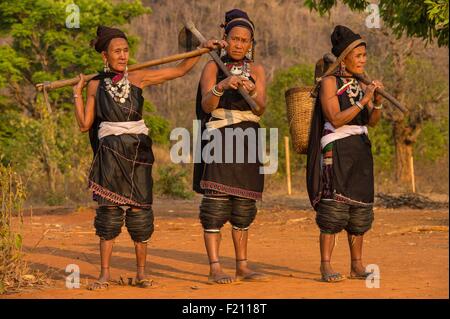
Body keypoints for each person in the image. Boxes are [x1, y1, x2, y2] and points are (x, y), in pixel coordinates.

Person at [73, 25, 223, 290]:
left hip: (138, 153)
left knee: (140, 214)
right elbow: (86, 124)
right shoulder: (95, 85)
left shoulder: (139, 77)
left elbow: (178, 70)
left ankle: (141, 274)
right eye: (116, 51)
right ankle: (104, 275)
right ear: (104, 56)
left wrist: (201, 51)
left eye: (126, 50)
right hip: (109, 155)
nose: (122, 56)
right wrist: (77, 92)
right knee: (108, 215)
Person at [193, 9, 268, 284]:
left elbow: (260, 110)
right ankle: (214, 267)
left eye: (244, 41)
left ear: (251, 44)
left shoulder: (258, 70)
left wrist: (250, 91)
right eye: (234, 39)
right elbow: (206, 105)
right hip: (219, 138)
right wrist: (222, 85)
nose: (238, 44)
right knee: (215, 205)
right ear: (225, 39)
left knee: (244, 206)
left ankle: (242, 265)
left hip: (248, 138)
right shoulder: (213, 66)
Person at [306, 25, 384, 282]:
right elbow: (336, 119)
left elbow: (371, 122)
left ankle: (357, 265)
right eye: (358, 55)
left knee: (360, 209)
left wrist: (377, 102)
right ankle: (325, 265)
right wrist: (364, 100)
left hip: (360, 149)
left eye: (364, 56)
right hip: (337, 148)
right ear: (344, 58)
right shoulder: (329, 82)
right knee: (333, 208)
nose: (363, 60)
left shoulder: (361, 83)